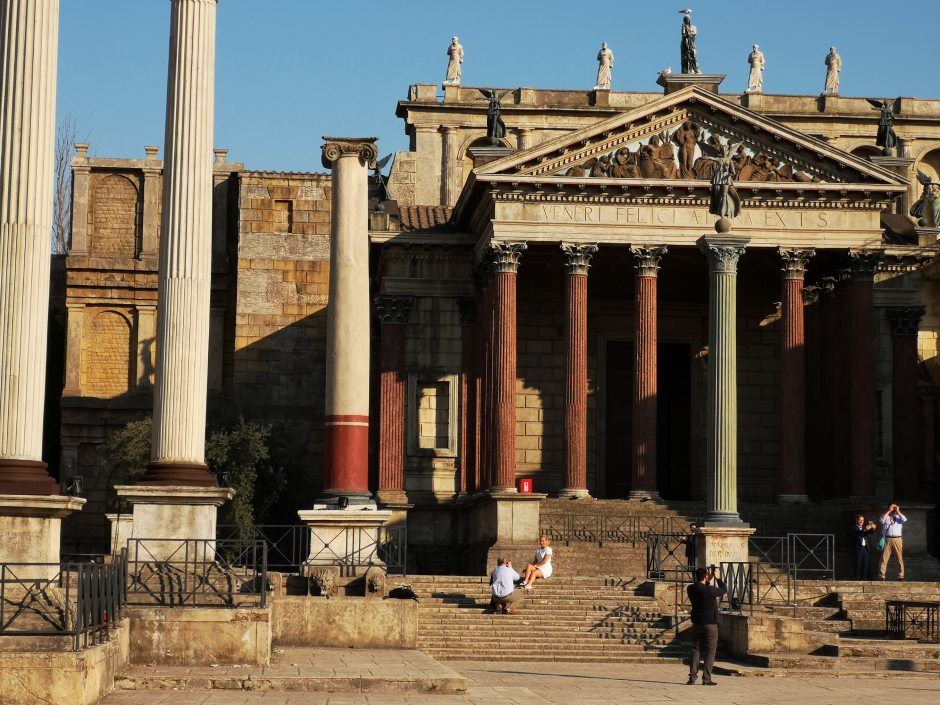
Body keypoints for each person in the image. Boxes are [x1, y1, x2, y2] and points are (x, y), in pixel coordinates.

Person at [686, 566, 726, 686]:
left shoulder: (691, 588)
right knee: (710, 651)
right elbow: (724, 589)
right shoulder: (710, 590)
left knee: (696, 649)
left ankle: (692, 677)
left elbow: (701, 587)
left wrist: (707, 579)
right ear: (704, 576)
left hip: (697, 622)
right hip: (710, 624)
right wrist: (718, 578)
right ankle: (706, 678)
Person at [879, 503, 907, 581]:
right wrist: (889, 511)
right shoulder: (885, 516)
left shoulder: (899, 517)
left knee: (899, 558)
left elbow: (905, 519)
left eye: (895, 507)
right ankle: (882, 576)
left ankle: (900, 576)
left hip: (897, 539)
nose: (894, 509)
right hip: (888, 539)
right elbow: (881, 521)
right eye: (892, 507)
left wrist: (898, 511)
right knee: (884, 558)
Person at [851, 515, 877, 580]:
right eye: (860, 520)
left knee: (865, 564)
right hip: (858, 548)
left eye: (862, 520)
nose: (861, 521)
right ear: (856, 520)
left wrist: (873, 528)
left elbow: (870, 531)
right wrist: (865, 529)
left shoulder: (863, 527)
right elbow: (859, 532)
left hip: (865, 548)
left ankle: (864, 578)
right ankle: (856, 578)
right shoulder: (854, 527)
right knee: (858, 564)